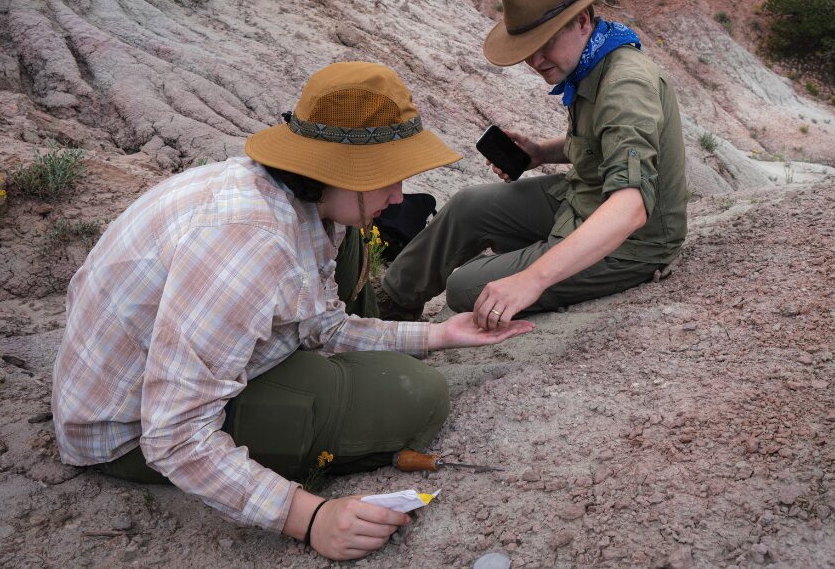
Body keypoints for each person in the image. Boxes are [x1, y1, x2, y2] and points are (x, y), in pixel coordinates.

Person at [51, 62, 535, 562]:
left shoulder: (303, 199)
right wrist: (309, 518)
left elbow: (323, 323)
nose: (400, 196)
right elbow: (172, 436)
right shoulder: (250, 243)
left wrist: (439, 335)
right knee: (419, 398)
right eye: (388, 178)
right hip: (128, 431)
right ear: (338, 171)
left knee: (360, 269)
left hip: (152, 381)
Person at [377, 0, 689, 329]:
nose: (537, 60)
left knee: (468, 287)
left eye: (546, 42)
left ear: (582, 21)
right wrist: (540, 153)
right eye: (528, 49)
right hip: (583, 196)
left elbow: (631, 206)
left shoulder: (626, 85)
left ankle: (538, 262)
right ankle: (389, 304)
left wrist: (531, 279)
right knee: (468, 206)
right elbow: (603, 142)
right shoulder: (593, 61)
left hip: (633, 242)